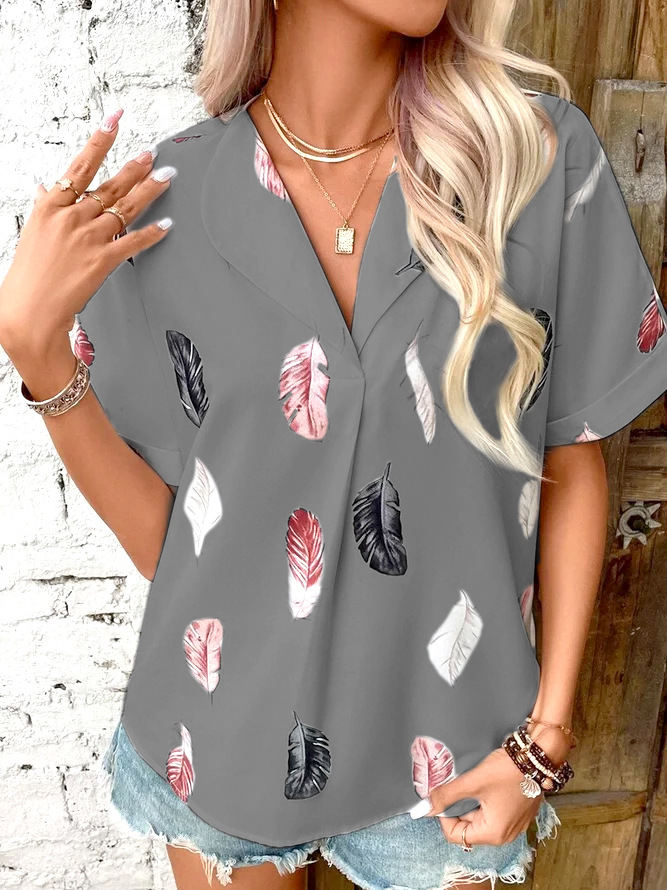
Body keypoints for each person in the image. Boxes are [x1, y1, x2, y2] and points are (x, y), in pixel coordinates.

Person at [2, 0, 666, 888]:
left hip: (456, 751)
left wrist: (544, 737)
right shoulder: (168, 200)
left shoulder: (534, 161)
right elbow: (174, 543)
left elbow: (569, 454)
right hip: (220, 739)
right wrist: (38, 352)